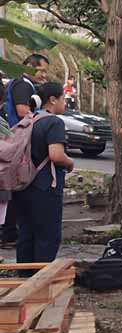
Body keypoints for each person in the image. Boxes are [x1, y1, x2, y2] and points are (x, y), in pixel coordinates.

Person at [12, 82, 74, 273]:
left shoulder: (29, 119)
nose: (65, 102)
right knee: (47, 236)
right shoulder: (54, 122)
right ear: (53, 100)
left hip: (22, 185)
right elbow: (55, 154)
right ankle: (41, 281)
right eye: (63, 98)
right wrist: (69, 162)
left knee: (26, 234)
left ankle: (24, 278)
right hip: (45, 187)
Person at [2, 54, 50, 249]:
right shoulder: (23, 85)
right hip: (17, 142)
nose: (44, 75)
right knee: (16, 187)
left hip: (14, 139)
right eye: (41, 70)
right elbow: (23, 111)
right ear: (30, 67)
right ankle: (10, 234)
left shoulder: (20, 83)